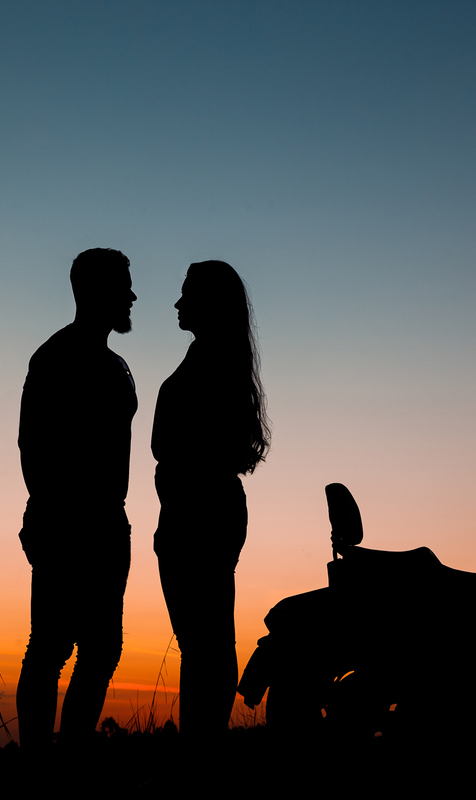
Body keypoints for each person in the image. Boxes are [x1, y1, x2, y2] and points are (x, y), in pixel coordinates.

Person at [16, 248, 137, 750]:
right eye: (123, 286)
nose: (132, 296)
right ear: (95, 292)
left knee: (101, 649)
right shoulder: (56, 357)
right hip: (68, 527)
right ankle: (43, 767)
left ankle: (68, 761)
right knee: (50, 648)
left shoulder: (114, 364)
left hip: (107, 527)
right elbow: (32, 447)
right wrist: (57, 519)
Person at [152, 260, 270, 739]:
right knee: (205, 643)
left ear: (209, 304)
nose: (178, 304)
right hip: (198, 510)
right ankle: (199, 753)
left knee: (207, 645)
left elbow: (175, 443)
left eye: (187, 295)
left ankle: (200, 756)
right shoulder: (210, 357)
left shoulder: (212, 363)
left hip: (199, 513)